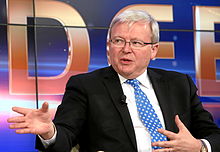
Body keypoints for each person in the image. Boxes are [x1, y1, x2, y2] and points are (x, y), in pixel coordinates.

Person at [7, 10, 220, 152]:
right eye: (118, 41)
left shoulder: (179, 83)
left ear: (153, 50)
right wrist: (49, 132)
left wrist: (199, 146)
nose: (126, 49)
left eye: (136, 42)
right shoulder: (85, 86)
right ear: (109, 46)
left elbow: (214, 136)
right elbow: (66, 138)